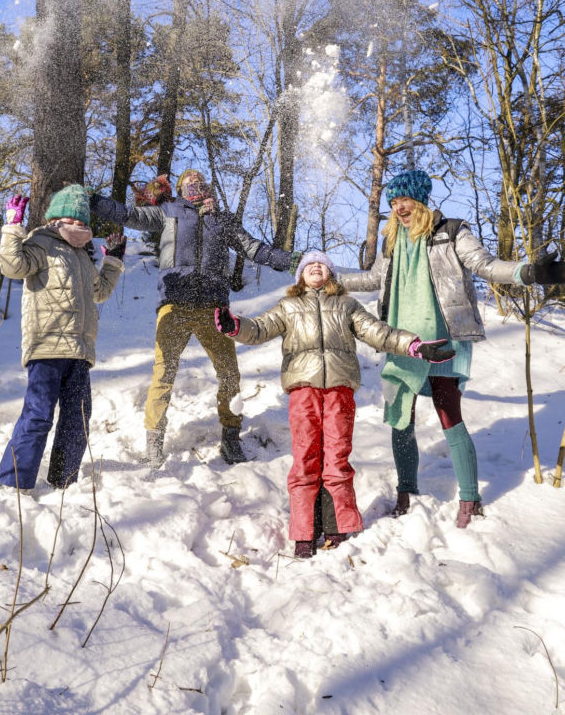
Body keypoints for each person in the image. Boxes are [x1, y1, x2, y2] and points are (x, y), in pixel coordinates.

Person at [338, 169, 565, 527]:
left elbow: (484, 265)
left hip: (444, 337)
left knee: (449, 415)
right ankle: (406, 490)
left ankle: (470, 498)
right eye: (394, 202)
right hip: (402, 341)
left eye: (405, 200)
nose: (399, 208)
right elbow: (371, 279)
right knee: (401, 419)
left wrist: (529, 273)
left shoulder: (452, 231)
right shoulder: (391, 242)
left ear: (421, 200)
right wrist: (328, 278)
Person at [214, 250, 452, 558]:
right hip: (303, 391)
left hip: (339, 390)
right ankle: (303, 533)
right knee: (305, 459)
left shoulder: (347, 305)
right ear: (300, 275)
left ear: (331, 275)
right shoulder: (289, 306)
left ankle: (338, 526)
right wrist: (235, 326)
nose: (315, 267)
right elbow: (259, 328)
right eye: (309, 264)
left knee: (337, 457)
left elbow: (378, 333)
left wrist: (414, 345)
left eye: (322, 264)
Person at [90, 169, 300, 468]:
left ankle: (230, 434)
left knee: (229, 374)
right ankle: (154, 443)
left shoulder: (222, 220)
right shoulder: (169, 212)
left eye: (201, 183)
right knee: (163, 374)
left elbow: (253, 249)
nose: (196, 187)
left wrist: (289, 259)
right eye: (189, 184)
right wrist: (92, 200)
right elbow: (127, 215)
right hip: (174, 305)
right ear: (179, 191)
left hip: (213, 307)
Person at [0, 184, 124, 491]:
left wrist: (113, 261)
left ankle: (63, 483)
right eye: (71, 219)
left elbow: (99, 292)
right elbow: (13, 267)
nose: (78, 226)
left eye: (82, 221)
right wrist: (13, 228)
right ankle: (13, 483)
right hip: (47, 347)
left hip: (79, 352)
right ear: (56, 218)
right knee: (39, 415)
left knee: (78, 418)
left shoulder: (81, 256)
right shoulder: (41, 244)